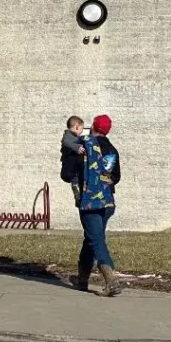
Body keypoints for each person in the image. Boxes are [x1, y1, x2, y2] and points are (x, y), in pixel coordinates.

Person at [76, 115, 122, 296]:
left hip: (90, 201)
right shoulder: (112, 150)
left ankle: (110, 277)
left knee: (96, 239)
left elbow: (68, 172)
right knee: (92, 237)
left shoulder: (85, 146)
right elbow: (116, 177)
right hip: (108, 202)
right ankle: (82, 277)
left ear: (93, 127)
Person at [60, 115, 86, 204]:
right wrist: (76, 147)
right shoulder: (67, 135)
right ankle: (76, 188)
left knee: (77, 176)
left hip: (74, 165)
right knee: (75, 176)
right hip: (70, 165)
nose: (81, 132)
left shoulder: (74, 136)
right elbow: (66, 142)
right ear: (77, 127)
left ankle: (76, 188)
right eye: (81, 129)